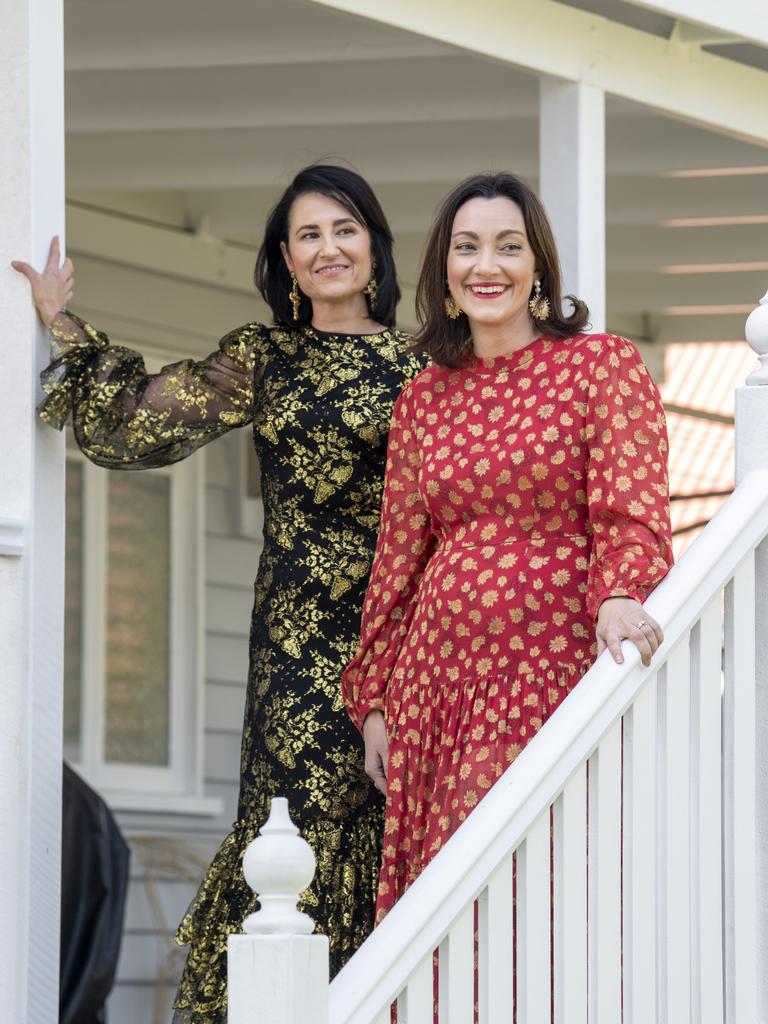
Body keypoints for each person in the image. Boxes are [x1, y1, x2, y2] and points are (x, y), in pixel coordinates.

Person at [13, 164, 424, 1023]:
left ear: (374, 245)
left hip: (405, 639)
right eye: (307, 235)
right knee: (292, 842)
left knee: (398, 836)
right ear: (286, 258)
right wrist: (62, 323)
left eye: (344, 229)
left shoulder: (427, 366)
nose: (328, 249)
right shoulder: (263, 356)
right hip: (296, 652)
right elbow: (137, 424)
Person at [342, 172, 672, 923]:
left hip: (544, 669)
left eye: (507, 247)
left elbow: (630, 508)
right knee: (444, 901)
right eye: (467, 247)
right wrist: (373, 703)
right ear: (445, 274)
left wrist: (621, 591)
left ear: (539, 270)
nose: (485, 264)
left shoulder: (600, 365)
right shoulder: (424, 396)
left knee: (529, 889)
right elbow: (398, 558)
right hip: (436, 687)